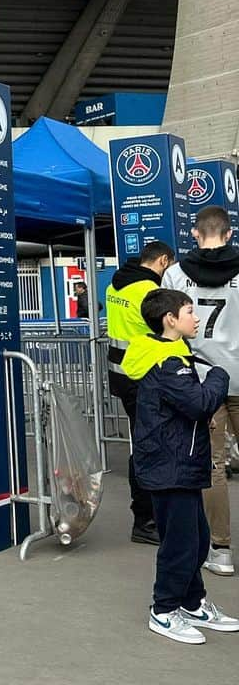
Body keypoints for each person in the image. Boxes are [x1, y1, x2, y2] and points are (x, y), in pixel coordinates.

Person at [122, 288, 236, 643]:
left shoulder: (172, 353)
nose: (196, 317)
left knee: (197, 538)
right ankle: (164, 610)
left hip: (176, 461)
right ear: (170, 319)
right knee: (181, 544)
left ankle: (193, 602)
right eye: (189, 311)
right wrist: (220, 373)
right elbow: (200, 403)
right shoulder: (167, 361)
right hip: (169, 464)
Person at [163, 205, 239, 576]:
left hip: (203, 380)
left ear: (195, 233)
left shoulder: (176, 274)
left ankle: (221, 550)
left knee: (213, 467)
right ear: (228, 234)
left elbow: (166, 325)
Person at [106, 240, 175, 544]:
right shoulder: (150, 292)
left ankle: (147, 517)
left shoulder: (114, 286)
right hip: (145, 378)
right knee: (150, 448)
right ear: (162, 261)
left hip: (122, 377)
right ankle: (146, 520)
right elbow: (164, 332)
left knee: (143, 444)